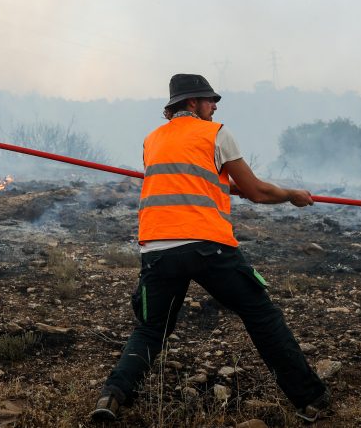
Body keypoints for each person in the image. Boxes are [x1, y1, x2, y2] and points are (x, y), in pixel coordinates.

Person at [90, 74, 330, 423]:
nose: (215, 106)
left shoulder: (151, 140)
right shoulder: (215, 133)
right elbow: (256, 191)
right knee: (261, 315)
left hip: (156, 249)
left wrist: (222, 186)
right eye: (209, 100)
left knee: (151, 329)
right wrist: (292, 195)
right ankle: (311, 400)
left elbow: (189, 181)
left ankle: (113, 395)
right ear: (192, 103)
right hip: (207, 245)